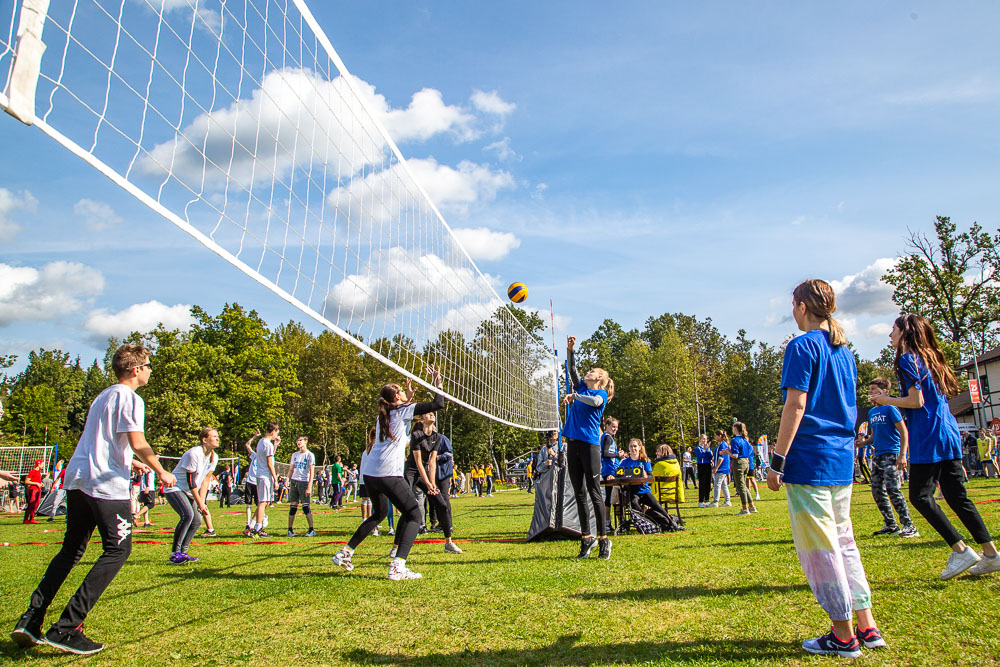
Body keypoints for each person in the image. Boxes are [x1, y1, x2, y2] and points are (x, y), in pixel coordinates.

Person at [11, 344, 177, 655]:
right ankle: (67, 627)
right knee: (118, 550)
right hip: (104, 485)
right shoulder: (130, 398)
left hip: (78, 479)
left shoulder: (103, 396)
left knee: (71, 550)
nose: (151, 370)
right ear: (135, 369)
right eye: (149, 365)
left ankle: (30, 619)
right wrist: (160, 470)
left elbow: (104, 441)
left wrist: (130, 462)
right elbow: (137, 441)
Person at [766, 279, 881, 658]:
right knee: (844, 542)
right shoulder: (843, 350)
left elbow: (795, 406)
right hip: (840, 459)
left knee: (822, 549)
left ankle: (843, 635)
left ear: (800, 306)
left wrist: (777, 460)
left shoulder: (801, 346)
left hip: (810, 459)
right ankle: (866, 626)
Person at [869, 314, 999, 579]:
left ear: (905, 332)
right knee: (956, 497)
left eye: (893, 330)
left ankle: (961, 550)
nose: (889, 335)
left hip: (929, 434)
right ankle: (991, 554)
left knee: (919, 496)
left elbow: (916, 402)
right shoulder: (930, 358)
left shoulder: (907, 359)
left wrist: (886, 400)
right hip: (947, 430)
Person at [332, 366, 445, 580]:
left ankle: (345, 552)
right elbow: (437, 404)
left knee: (379, 513)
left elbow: (406, 409)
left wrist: (409, 396)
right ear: (395, 396)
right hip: (387, 473)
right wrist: (437, 383)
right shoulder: (399, 411)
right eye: (401, 390)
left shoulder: (385, 413)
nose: (404, 392)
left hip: (371, 473)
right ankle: (397, 566)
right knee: (414, 514)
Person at [562, 335, 615, 560]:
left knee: (594, 492)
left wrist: (574, 396)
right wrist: (570, 349)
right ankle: (586, 539)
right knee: (578, 493)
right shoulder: (583, 387)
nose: (589, 372)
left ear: (600, 379)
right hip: (572, 444)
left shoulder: (598, 393)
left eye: (593, 371)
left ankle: (604, 539)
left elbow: (595, 403)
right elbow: (572, 370)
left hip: (590, 446)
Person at [858, 378, 918, 538]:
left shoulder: (891, 409)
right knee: (876, 490)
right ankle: (890, 524)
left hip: (892, 454)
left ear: (884, 391)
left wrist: (902, 455)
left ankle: (909, 525)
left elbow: (903, 432)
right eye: (869, 389)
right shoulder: (872, 412)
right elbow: (873, 436)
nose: (870, 392)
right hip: (877, 455)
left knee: (893, 489)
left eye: (873, 389)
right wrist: (862, 443)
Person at [163, 427, 219, 564]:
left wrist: (203, 501)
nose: (217, 438)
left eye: (218, 436)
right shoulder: (193, 454)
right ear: (204, 440)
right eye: (214, 436)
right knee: (187, 515)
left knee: (197, 521)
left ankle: (183, 552)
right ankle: (174, 554)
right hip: (175, 488)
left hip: (190, 491)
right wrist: (199, 503)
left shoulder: (214, 457)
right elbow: (191, 482)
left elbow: (205, 481)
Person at [417, 411, 463, 553]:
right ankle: (434, 524)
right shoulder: (419, 438)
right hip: (430, 473)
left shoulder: (441, 438)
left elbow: (449, 454)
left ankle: (447, 526)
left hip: (442, 473)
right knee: (431, 500)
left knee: (443, 498)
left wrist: (437, 458)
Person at [616, 439, 672, 527]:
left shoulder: (644, 461)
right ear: (628, 448)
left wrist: (646, 476)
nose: (633, 448)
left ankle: (671, 522)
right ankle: (643, 524)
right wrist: (613, 476)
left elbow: (651, 477)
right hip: (632, 491)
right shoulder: (624, 462)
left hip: (644, 490)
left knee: (656, 505)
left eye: (635, 446)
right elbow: (618, 475)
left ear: (639, 448)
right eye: (631, 446)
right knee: (634, 503)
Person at [251, 424, 280, 538]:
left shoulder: (261, 442)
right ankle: (258, 528)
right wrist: (275, 479)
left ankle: (252, 525)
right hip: (265, 476)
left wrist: (275, 445)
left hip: (261, 475)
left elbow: (270, 455)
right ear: (273, 432)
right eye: (276, 433)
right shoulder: (267, 443)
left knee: (266, 502)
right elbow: (270, 463)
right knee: (263, 502)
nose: (276, 435)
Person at [286, 436, 317, 537]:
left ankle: (311, 529)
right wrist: (287, 479)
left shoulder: (309, 455)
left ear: (305, 442)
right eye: (297, 440)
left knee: (305, 506)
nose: (298, 442)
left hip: (304, 482)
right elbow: (291, 469)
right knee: (293, 507)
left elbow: (312, 472)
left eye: (300, 440)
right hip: (294, 481)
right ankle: (290, 530)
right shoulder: (295, 455)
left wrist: (309, 485)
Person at [731, 422, 757, 515]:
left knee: (740, 486)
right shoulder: (745, 440)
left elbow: (735, 455)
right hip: (746, 462)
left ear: (735, 429)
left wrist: (727, 452)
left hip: (739, 463)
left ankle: (745, 508)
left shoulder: (734, 440)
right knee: (744, 485)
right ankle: (752, 506)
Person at [242, 431, 260, 536]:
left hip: (258, 483)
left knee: (260, 505)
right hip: (250, 481)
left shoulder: (265, 458)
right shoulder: (254, 455)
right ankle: (248, 523)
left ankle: (257, 523)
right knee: (248, 504)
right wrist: (254, 436)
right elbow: (247, 445)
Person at [708, 430, 732, 508]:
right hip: (723, 468)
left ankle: (715, 501)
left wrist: (716, 467)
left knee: (717, 484)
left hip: (722, 468)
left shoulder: (723, 445)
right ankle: (727, 500)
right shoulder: (721, 445)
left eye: (715, 436)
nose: (715, 437)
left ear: (720, 436)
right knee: (723, 485)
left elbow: (721, 458)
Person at [22, 459, 45, 524]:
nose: (43, 466)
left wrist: (41, 484)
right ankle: (26, 519)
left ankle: (32, 518)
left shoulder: (39, 472)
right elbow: (26, 481)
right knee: (31, 504)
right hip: (33, 489)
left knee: (36, 504)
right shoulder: (32, 471)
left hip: (38, 489)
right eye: (42, 464)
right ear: (39, 464)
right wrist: (36, 483)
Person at [695, 434, 713, 507]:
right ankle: (701, 501)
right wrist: (705, 450)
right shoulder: (697, 448)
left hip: (708, 465)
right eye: (702, 439)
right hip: (701, 465)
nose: (704, 441)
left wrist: (708, 450)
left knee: (708, 483)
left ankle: (707, 499)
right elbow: (699, 456)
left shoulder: (708, 448)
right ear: (699, 440)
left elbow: (710, 457)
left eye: (705, 439)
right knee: (702, 483)